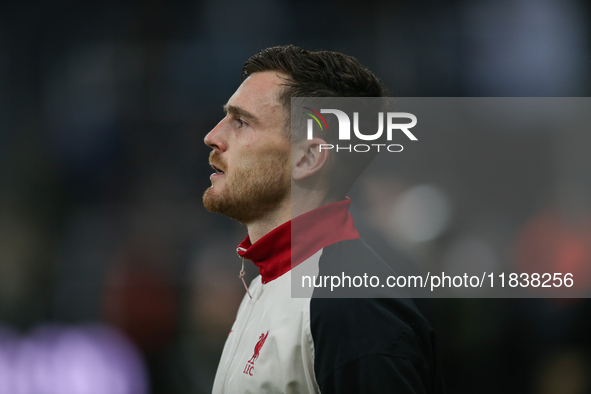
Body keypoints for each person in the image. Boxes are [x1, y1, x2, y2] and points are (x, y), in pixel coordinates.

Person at [203, 45, 444, 393]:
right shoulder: (269, 281)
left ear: (308, 157)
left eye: (241, 121)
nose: (213, 136)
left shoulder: (352, 308)